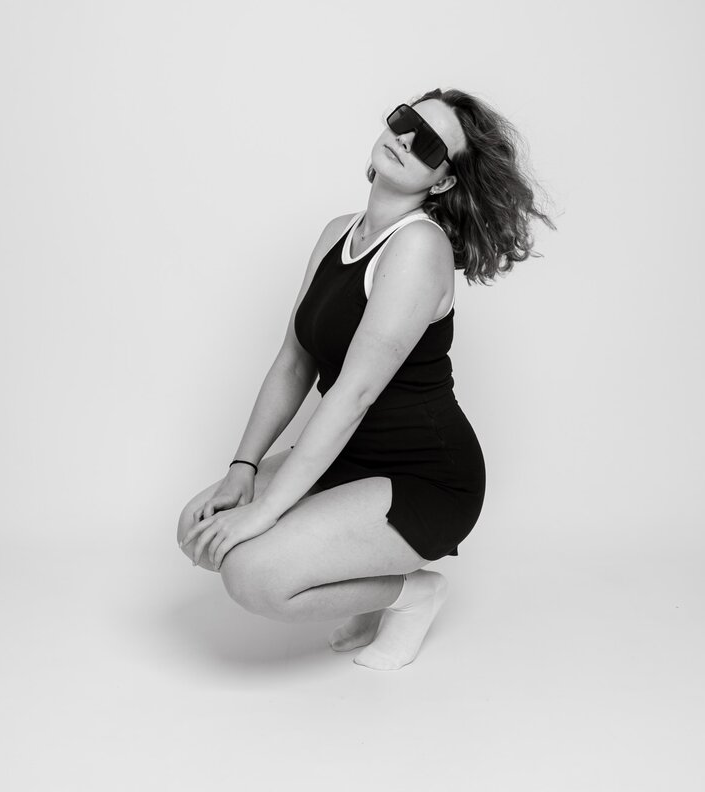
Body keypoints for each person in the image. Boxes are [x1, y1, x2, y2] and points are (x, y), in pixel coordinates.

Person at [178, 87, 556, 670]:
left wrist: (266, 510)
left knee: (252, 575)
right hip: (348, 456)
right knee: (197, 528)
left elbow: (353, 394)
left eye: (429, 146)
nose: (405, 140)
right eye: (406, 121)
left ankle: (412, 595)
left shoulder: (419, 247)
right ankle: (360, 573)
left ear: (443, 182)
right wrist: (242, 468)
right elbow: (294, 360)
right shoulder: (337, 232)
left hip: (423, 477)